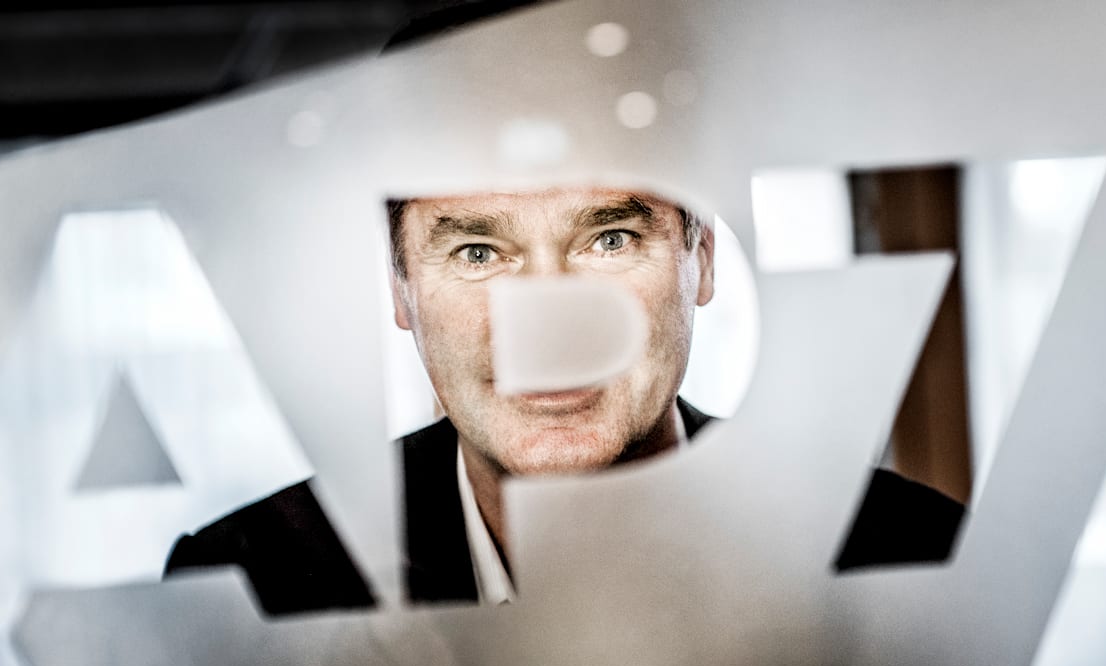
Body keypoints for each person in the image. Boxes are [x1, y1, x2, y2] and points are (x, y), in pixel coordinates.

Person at [164, 186, 964, 615]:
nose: (546, 322)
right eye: (478, 252)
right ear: (401, 290)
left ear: (704, 260)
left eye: (610, 240)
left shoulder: (908, 556)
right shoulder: (254, 591)